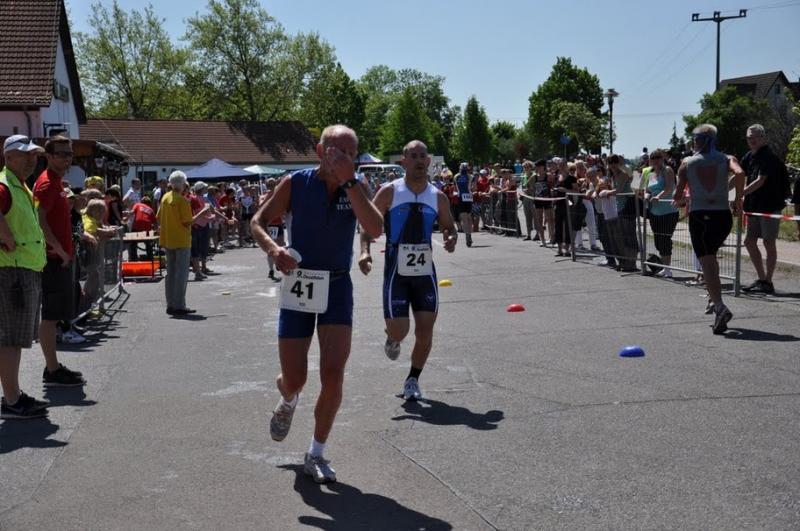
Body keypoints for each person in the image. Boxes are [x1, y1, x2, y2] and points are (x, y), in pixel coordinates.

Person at [251, 125, 382, 484]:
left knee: (333, 374)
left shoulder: (356, 185)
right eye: (338, 151)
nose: (344, 158)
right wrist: (273, 249)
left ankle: (317, 452)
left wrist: (350, 182)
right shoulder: (296, 183)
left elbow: (375, 227)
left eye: (351, 153)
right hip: (299, 282)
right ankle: (288, 397)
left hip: (337, 285)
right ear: (320, 151)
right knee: (296, 378)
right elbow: (257, 221)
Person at [358, 140, 457, 402]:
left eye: (423, 156)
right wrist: (365, 251)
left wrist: (451, 237)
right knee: (400, 331)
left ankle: (413, 379)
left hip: (425, 274)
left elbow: (449, 226)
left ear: (429, 161)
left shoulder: (438, 196)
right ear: (404, 162)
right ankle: (392, 337)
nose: (419, 160)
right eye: (413, 156)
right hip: (396, 273)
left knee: (425, 331)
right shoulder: (389, 192)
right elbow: (367, 225)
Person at [673, 124, 744, 334]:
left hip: (701, 216)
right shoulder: (727, 158)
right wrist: (738, 199)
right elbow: (740, 173)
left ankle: (720, 307)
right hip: (722, 216)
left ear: (698, 141)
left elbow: (677, 194)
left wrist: (682, 198)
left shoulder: (687, 163)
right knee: (711, 259)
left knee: (707, 263)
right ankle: (714, 300)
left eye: (694, 140)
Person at [0, 136, 50, 418]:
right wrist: (5, 234)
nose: (32, 159)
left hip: (21, 269)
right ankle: (11, 400)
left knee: (14, 338)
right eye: (25, 155)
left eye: (33, 155)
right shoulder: (5, 184)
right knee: (9, 338)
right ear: (8, 157)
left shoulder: (19, 186)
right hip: (12, 271)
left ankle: (13, 395)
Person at [32, 136, 86, 387]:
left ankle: (53, 367)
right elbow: (39, 220)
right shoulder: (47, 183)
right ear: (49, 156)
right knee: (51, 317)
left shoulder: (56, 182)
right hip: (53, 260)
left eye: (69, 154)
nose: (67, 158)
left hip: (58, 258)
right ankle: (52, 370)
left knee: (54, 316)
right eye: (61, 154)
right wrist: (60, 251)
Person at [740, 124, 788, 294]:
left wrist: (740, 193)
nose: (751, 140)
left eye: (755, 136)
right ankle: (761, 279)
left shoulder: (768, 156)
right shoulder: (749, 156)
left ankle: (768, 280)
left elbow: (761, 180)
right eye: (749, 137)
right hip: (753, 206)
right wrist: (725, 192)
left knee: (768, 242)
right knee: (749, 241)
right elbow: (738, 174)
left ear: (763, 137)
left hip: (769, 205)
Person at [158, 171, 203, 315]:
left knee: (170, 273)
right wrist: (202, 213)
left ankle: (171, 304)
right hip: (181, 240)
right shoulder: (182, 200)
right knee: (181, 274)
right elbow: (187, 222)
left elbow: (158, 216)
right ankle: (179, 305)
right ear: (182, 184)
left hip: (168, 239)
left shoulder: (165, 197)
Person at [644, 149, 679, 277]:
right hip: (654, 212)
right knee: (658, 241)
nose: (655, 161)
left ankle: (668, 269)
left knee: (665, 239)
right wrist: (647, 195)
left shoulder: (667, 170)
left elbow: (668, 188)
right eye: (653, 159)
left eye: (658, 158)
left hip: (668, 211)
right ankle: (664, 267)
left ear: (662, 158)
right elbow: (648, 190)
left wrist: (658, 196)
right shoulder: (650, 174)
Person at [129, 196, 157, 261]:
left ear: (141, 202)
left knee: (133, 243)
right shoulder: (150, 210)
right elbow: (155, 223)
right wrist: (156, 231)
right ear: (149, 204)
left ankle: (133, 259)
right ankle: (150, 258)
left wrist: (126, 217)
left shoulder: (138, 204)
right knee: (148, 243)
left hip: (137, 226)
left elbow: (132, 212)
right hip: (146, 227)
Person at [454, 162, 474, 247]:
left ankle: (467, 235)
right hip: (468, 197)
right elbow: (473, 188)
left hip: (460, 197)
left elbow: (455, 188)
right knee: (469, 217)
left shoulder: (456, 176)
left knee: (464, 218)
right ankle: (469, 235)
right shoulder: (470, 176)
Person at [520, 161, 536, 240]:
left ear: (531, 167)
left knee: (536, 217)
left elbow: (535, 187)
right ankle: (529, 234)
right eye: (524, 167)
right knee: (527, 217)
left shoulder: (534, 175)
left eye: (527, 166)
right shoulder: (523, 176)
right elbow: (522, 187)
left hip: (533, 198)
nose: (526, 168)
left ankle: (538, 234)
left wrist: (530, 190)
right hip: (526, 198)